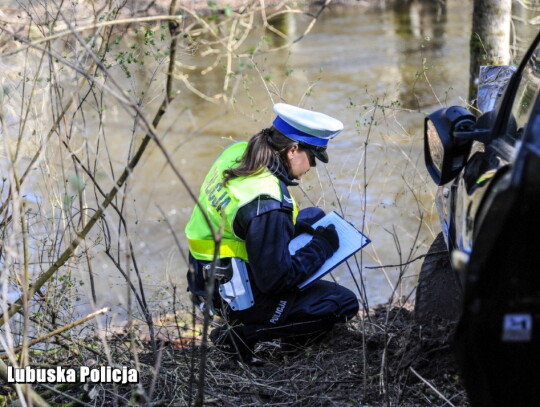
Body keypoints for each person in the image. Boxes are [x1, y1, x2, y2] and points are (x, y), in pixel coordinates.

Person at [184, 103, 359, 361]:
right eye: (313, 157)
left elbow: (242, 215)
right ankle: (242, 334)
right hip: (235, 295)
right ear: (293, 150)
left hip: (205, 277)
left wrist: (291, 227)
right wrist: (321, 248)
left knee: (314, 218)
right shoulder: (266, 202)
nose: (312, 166)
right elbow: (276, 280)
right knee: (341, 303)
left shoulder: (238, 153)